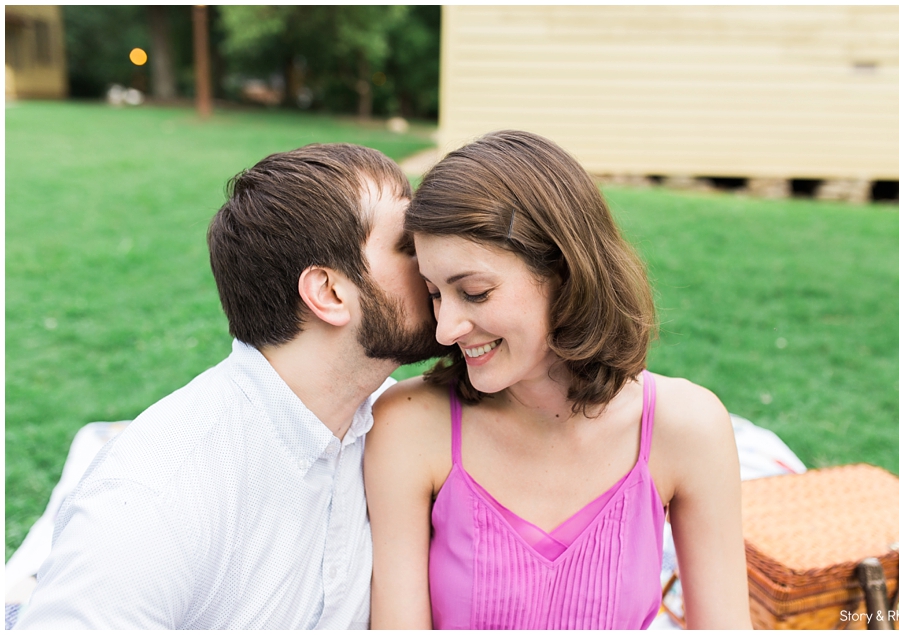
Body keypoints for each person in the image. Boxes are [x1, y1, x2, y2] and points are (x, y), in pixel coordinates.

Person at [16, 143, 446, 629]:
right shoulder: (153, 501)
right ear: (329, 293)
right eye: (409, 248)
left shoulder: (397, 425)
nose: (436, 265)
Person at [365, 130, 752, 629]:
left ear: (566, 273)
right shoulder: (410, 427)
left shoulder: (687, 427)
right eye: (435, 293)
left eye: (476, 292)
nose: (446, 329)